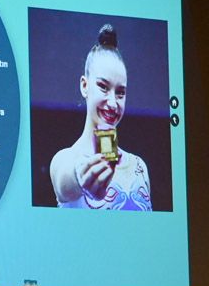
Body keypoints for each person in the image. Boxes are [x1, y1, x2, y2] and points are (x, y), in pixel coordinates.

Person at [49, 23, 152, 210]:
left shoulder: (139, 167)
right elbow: (64, 184)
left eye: (120, 93)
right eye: (103, 87)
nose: (113, 103)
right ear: (84, 86)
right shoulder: (65, 159)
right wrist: (80, 178)